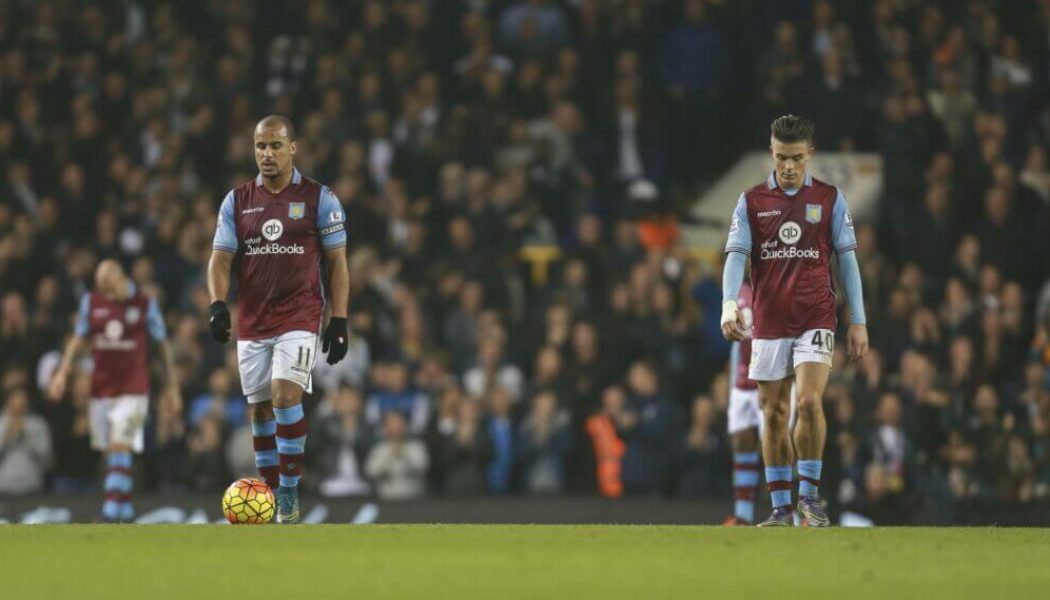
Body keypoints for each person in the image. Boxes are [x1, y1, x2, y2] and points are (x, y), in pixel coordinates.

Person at [721, 115, 868, 527]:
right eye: (783, 157)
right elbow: (735, 257)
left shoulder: (829, 198)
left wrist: (858, 319)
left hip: (815, 317)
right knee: (771, 412)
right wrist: (728, 304)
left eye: (797, 158)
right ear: (772, 152)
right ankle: (782, 508)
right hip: (768, 322)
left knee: (806, 401)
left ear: (810, 155)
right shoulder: (751, 202)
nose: (789, 166)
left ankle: (810, 498)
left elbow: (848, 260)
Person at [207, 115, 351, 524]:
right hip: (254, 320)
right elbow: (220, 260)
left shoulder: (319, 198)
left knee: (285, 396)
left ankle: (288, 491)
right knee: (258, 412)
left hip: (300, 315)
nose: (266, 154)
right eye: (259, 146)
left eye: (274, 145)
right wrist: (218, 303)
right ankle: (267, 495)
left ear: (293, 148)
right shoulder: (236, 201)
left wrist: (337, 319)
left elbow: (337, 263)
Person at [47, 260, 181, 521]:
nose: (105, 294)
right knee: (112, 450)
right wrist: (63, 373)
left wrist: (172, 386)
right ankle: (126, 510)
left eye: (108, 286)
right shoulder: (91, 302)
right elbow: (78, 339)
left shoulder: (145, 304)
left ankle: (110, 511)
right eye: (101, 288)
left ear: (120, 278)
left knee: (121, 443)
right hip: (102, 388)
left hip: (134, 386)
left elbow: (162, 346)